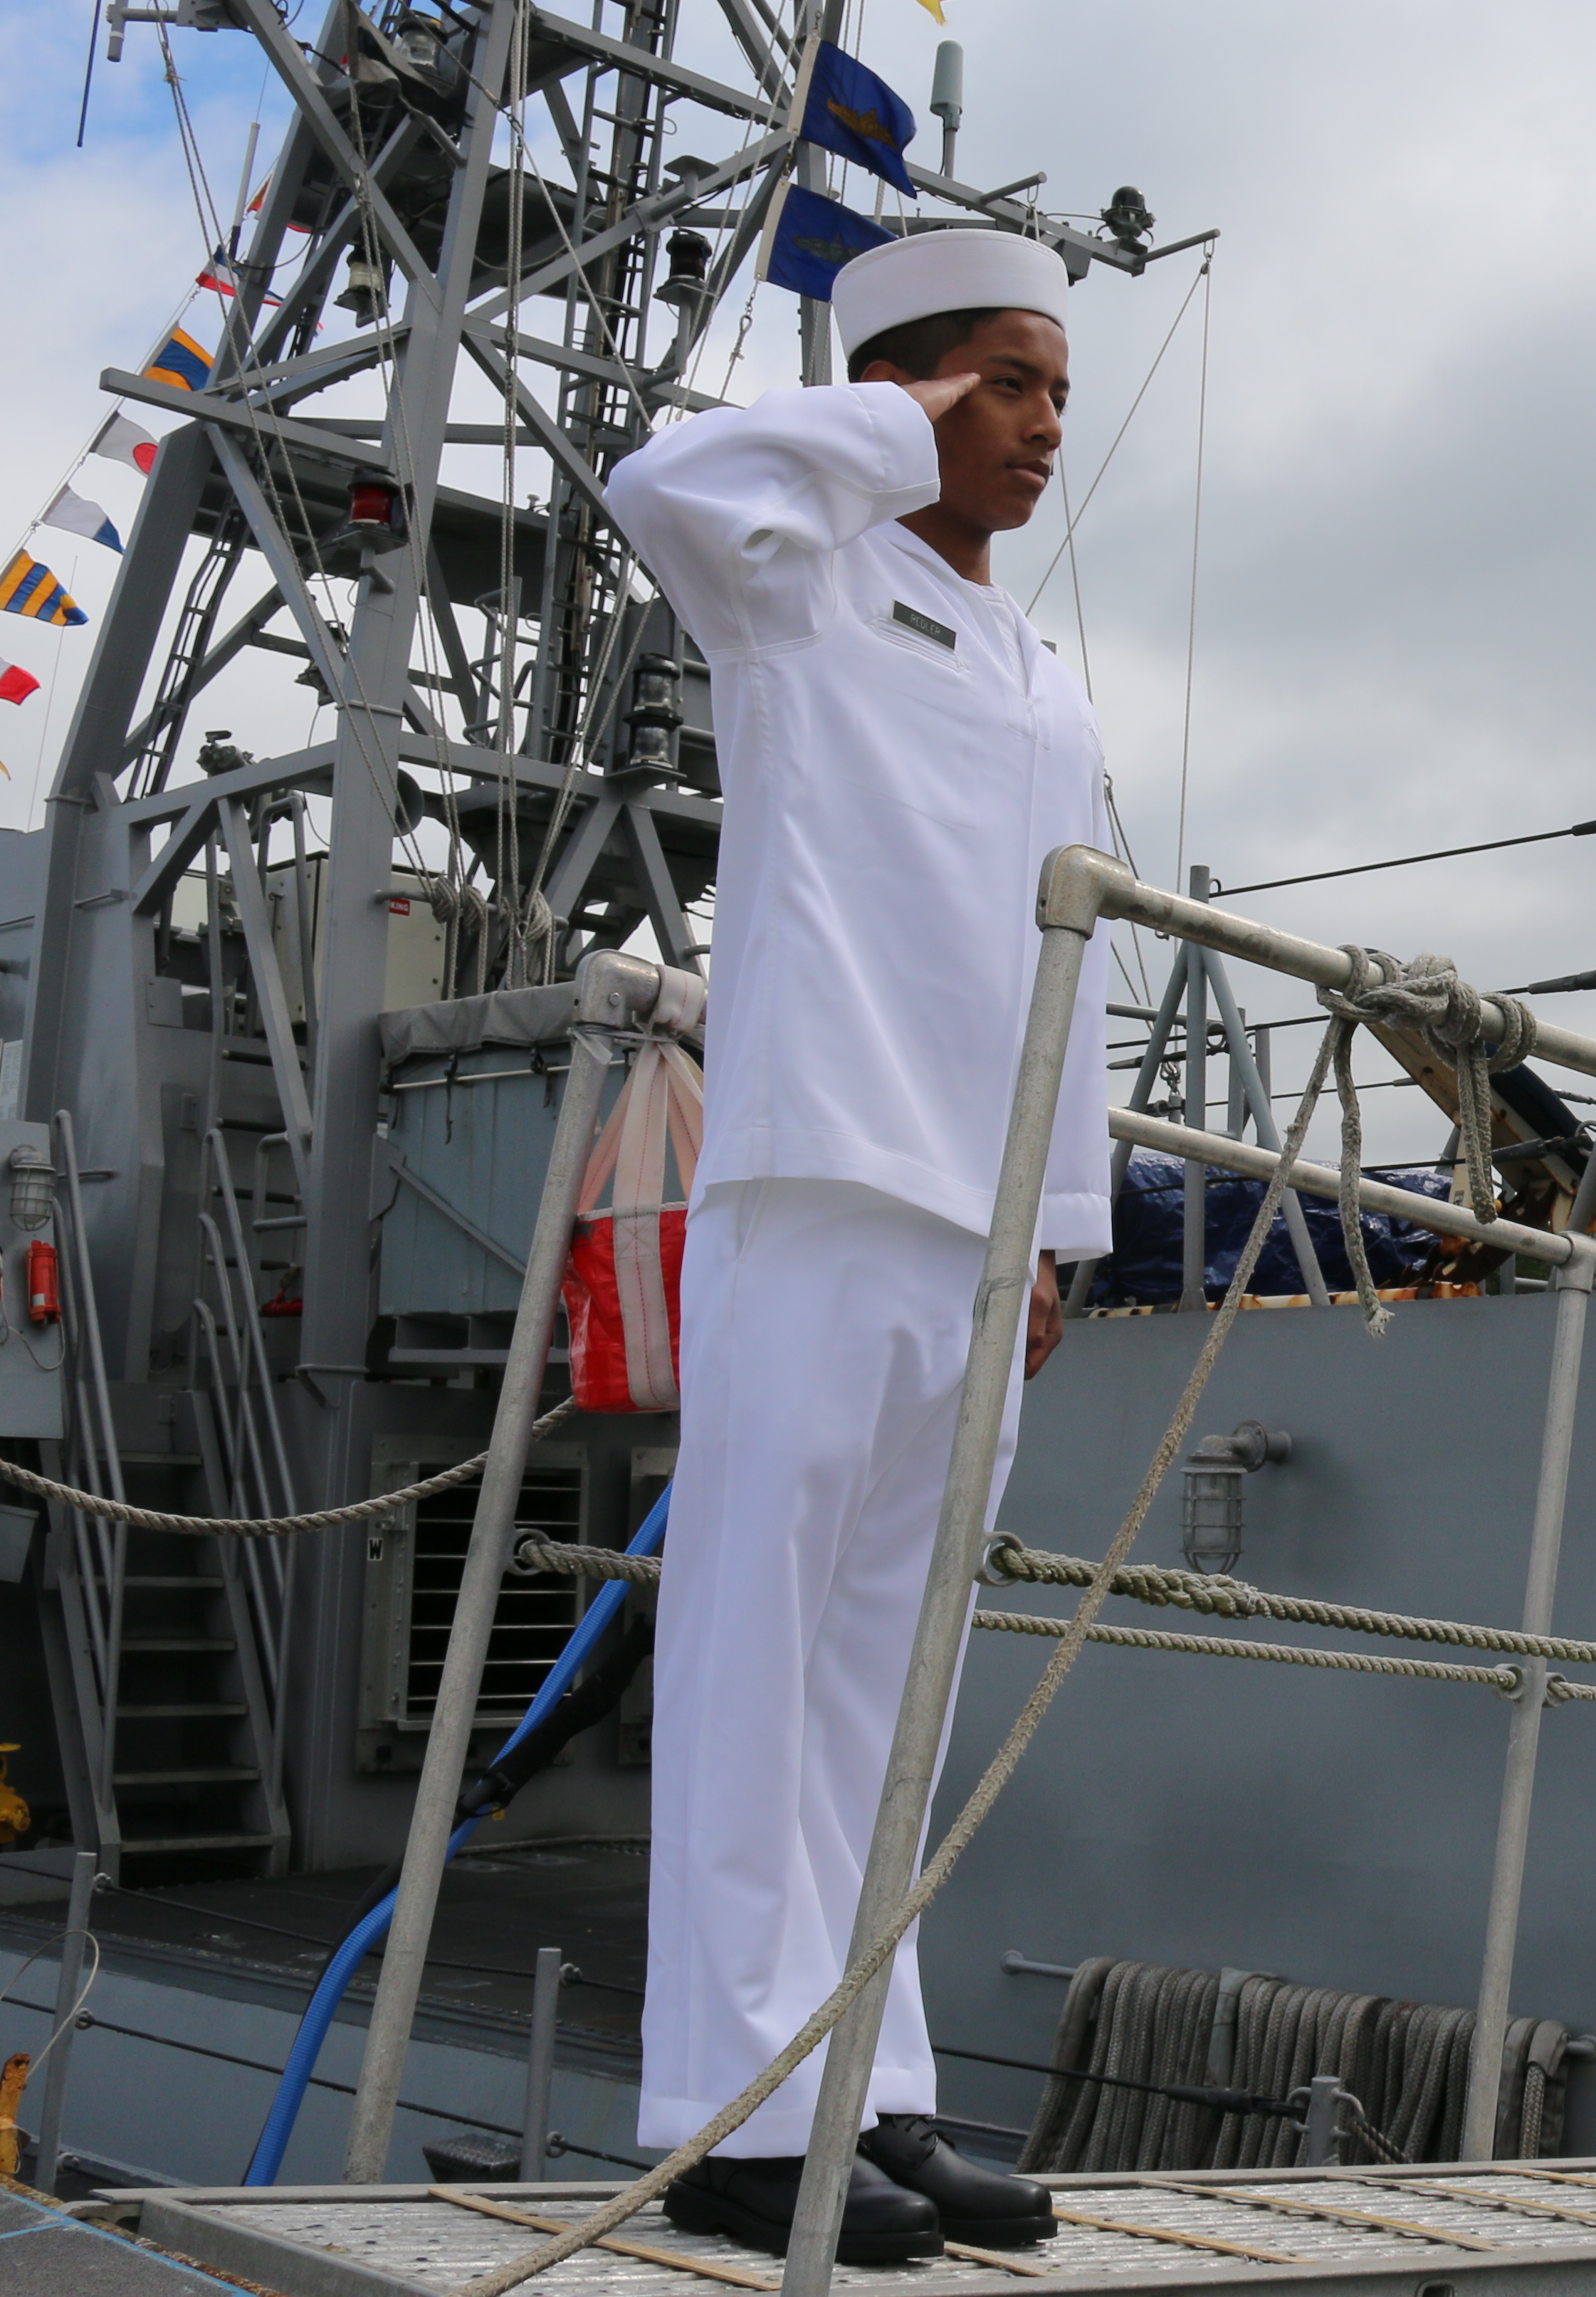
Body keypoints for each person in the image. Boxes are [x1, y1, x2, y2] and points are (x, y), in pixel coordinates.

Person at [602, 227, 1111, 2261]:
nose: (1044, 426)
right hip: (821, 1172)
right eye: (1006, 382)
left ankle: (866, 2098)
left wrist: (1060, 1229)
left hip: (979, 1219)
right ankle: (726, 2114)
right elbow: (672, 483)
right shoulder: (801, 582)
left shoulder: (1035, 669)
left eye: (1060, 390)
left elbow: (1047, 953)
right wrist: (895, 421)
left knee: (891, 1676)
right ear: (900, 393)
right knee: (756, 1644)